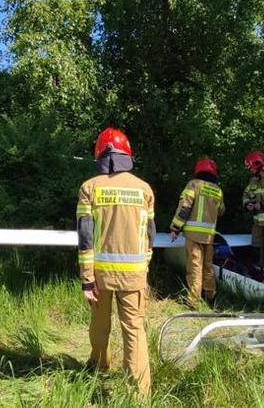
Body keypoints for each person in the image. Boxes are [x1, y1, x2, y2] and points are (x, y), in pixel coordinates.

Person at [76, 127, 154, 394]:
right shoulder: (144, 189)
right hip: (134, 276)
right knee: (134, 330)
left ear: (100, 153)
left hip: (100, 276)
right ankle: (140, 393)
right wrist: (144, 269)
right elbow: (150, 235)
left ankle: (99, 365)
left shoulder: (89, 188)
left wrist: (87, 278)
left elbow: (85, 237)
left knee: (99, 324)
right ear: (127, 154)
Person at [170, 157, 225, 307]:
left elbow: (185, 207)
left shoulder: (193, 184)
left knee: (194, 267)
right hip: (209, 236)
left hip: (193, 235)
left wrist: (175, 228)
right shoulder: (217, 190)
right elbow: (221, 211)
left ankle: (193, 301)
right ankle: (211, 297)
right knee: (208, 267)